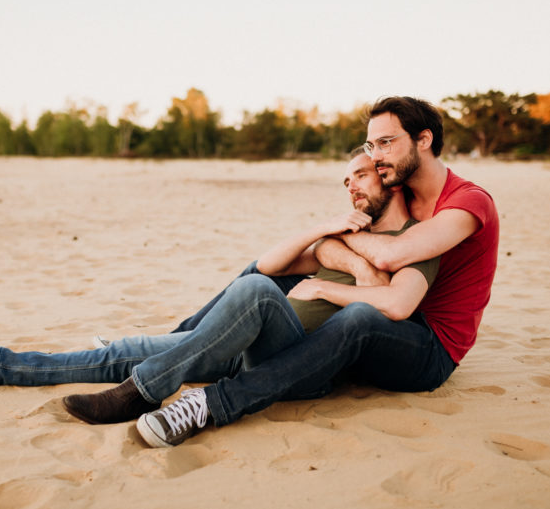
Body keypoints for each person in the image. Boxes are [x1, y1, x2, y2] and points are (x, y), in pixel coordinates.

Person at [0, 152, 437, 424]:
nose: (350, 186)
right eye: (344, 180)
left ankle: (144, 392)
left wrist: (333, 289)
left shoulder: (415, 242)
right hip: (249, 344)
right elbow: (267, 261)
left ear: (389, 178)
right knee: (127, 349)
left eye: (360, 176)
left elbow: (398, 304)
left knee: (256, 292)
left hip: (300, 366)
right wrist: (327, 233)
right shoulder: (348, 232)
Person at [127, 96, 499, 448]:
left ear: (424, 140)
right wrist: (332, 238)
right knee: (266, 275)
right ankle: (182, 339)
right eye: (371, 146)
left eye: (386, 143)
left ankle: (210, 405)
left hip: (429, 345)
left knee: (358, 316)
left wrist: (332, 261)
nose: (377, 156)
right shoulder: (403, 194)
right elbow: (338, 247)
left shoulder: (466, 203)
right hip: (394, 314)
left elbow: (391, 257)